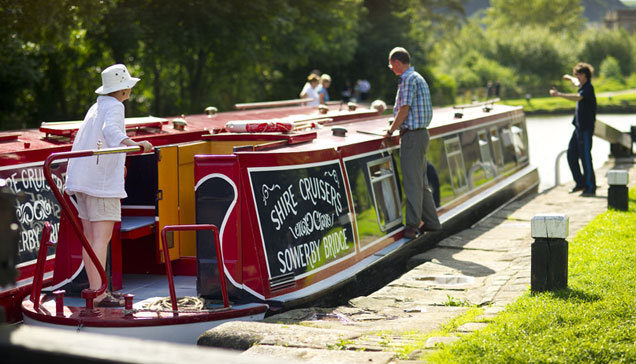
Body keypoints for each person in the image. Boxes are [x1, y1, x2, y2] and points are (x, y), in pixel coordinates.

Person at [65, 64, 153, 307]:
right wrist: (135, 144)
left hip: (82, 180)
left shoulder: (96, 107)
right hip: (101, 183)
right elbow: (111, 131)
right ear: (124, 89)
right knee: (101, 239)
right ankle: (101, 294)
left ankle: (95, 290)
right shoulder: (116, 106)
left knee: (91, 239)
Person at [384, 47, 441, 238]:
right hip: (421, 134)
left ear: (398, 63)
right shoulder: (418, 77)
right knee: (421, 182)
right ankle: (432, 222)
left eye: (391, 65)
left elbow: (404, 109)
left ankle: (412, 225)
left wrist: (391, 130)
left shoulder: (407, 80)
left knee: (411, 183)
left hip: (412, 137)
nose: (391, 68)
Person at [549, 62, 597, 197]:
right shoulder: (581, 84)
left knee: (585, 158)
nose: (577, 77)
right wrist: (569, 77)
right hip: (578, 128)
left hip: (586, 129)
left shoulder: (588, 88)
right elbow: (576, 82)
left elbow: (577, 97)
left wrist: (559, 94)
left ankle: (590, 187)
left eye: (578, 74)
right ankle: (580, 183)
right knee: (571, 155)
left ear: (585, 75)